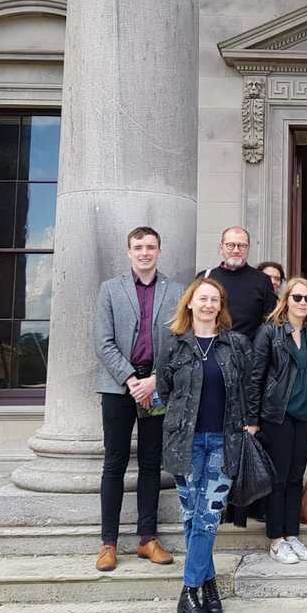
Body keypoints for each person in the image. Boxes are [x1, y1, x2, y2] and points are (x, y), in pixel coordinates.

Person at [156, 275, 251, 613]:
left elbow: (246, 387)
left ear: (220, 307)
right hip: (185, 442)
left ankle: (188, 590)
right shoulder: (174, 345)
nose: (208, 305)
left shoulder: (236, 344)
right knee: (193, 517)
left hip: (224, 441)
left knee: (208, 518)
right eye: (203, 299)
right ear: (191, 304)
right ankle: (208, 586)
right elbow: (165, 391)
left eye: (215, 300)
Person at [92, 226, 179, 572]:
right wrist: (131, 379)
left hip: (156, 385)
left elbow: (178, 340)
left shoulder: (176, 290)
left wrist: (154, 379)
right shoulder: (110, 290)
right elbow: (102, 341)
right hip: (119, 387)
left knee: (150, 463)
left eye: (151, 247)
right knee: (114, 463)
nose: (145, 253)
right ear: (129, 252)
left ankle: (147, 538)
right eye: (138, 247)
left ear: (160, 251)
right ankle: (108, 543)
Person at [245, 278, 307, 564]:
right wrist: (251, 419)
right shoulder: (270, 332)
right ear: (286, 299)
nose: (302, 303)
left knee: (295, 478)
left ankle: (292, 535)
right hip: (277, 415)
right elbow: (256, 378)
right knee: (278, 479)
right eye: (297, 297)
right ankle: (276, 539)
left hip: (305, 415)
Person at [203, 227, 277, 340]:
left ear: (248, 248)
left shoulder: (262, 280)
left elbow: (270, 323)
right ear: (221, 247)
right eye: (230, 245)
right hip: (211, 349)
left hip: (248, 352)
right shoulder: (205, 278)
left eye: (242, 246)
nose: (236, 250)